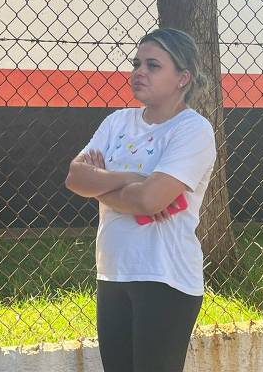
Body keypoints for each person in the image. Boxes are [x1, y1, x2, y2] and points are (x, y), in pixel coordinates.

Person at [65, 28, 217, 372]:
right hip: (114, 272)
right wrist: (132, 179)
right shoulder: (118, 121)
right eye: (136, 63)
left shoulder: (192, 130)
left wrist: (101, 183)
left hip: (165, 276)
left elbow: (150, 200)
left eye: (153, 65)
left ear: (183, 78)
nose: (139, 72)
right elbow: (75, 177)